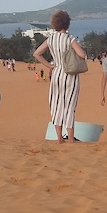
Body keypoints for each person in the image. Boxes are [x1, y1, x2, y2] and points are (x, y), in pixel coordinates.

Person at [33, 10, 88, 143]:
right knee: (69, 106)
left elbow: (36, 54)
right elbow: (82, 54)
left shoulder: (51, 39)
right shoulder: (70, 39)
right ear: (67, 23)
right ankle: (70, 138)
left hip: (56, 74)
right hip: (70, 75)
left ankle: (59, 138)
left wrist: (49, 66)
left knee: (56, 105)